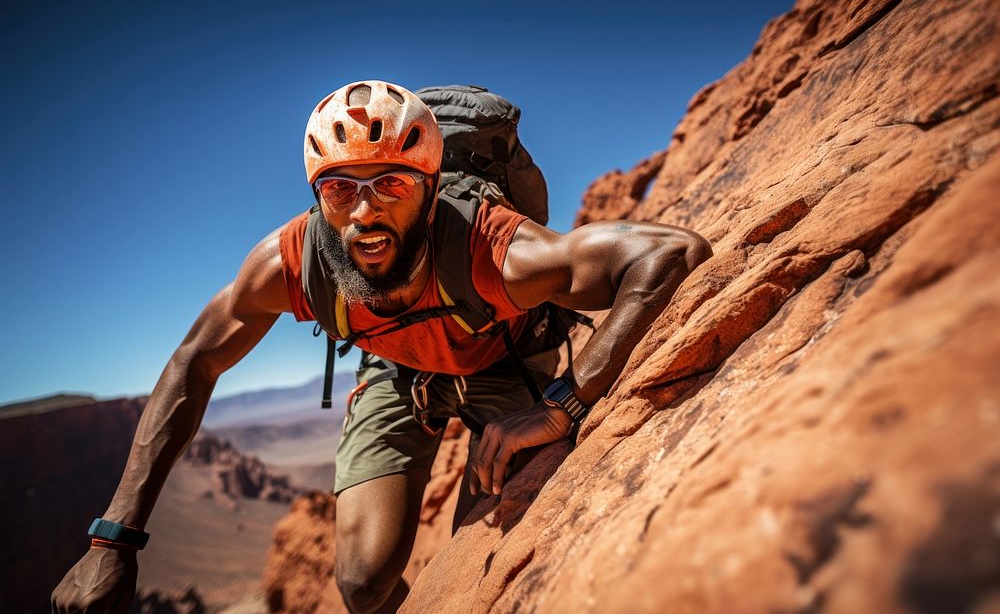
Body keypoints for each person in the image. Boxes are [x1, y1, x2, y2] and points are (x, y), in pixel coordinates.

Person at [51, 80, 712, 614]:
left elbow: (671, 252)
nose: (363, 213)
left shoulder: (490, 244)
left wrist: (565, 402)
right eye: (340, 188)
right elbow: (196, 358)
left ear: (427, 189)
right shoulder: (293, 261)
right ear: (318, 197)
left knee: (487, 541)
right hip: (399, 375)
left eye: (390, 184)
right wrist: (114, 537)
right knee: (363, 584)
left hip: (502, 361)